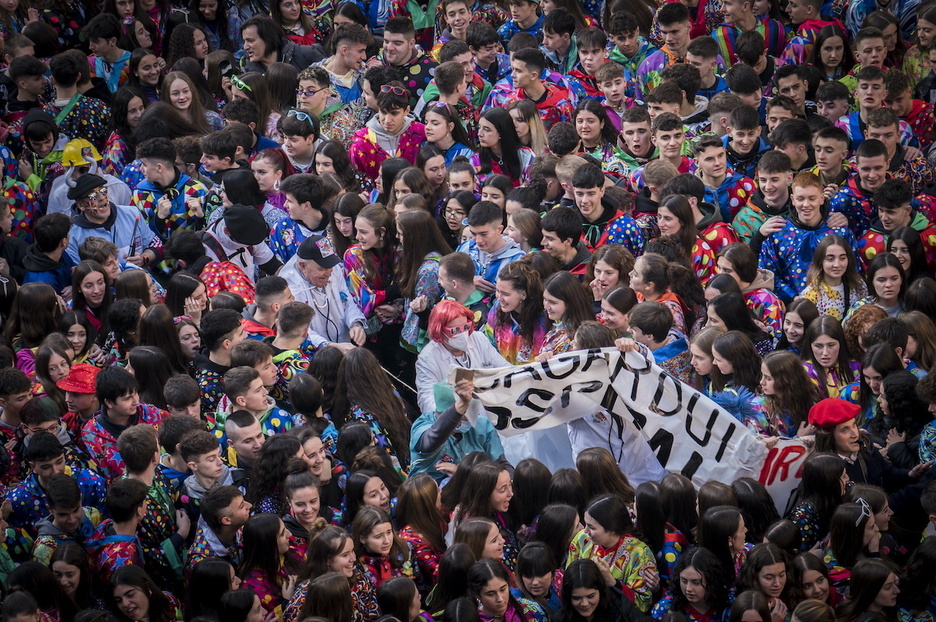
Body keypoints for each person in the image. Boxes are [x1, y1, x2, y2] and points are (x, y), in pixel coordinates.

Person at [569, 494, 658, 612]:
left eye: (591, 527)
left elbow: (642, 604)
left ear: (612, 530)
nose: (585, 531)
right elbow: (568, 579)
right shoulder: (582, 540)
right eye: (585, 524)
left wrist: (612, 582)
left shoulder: (639, 555)